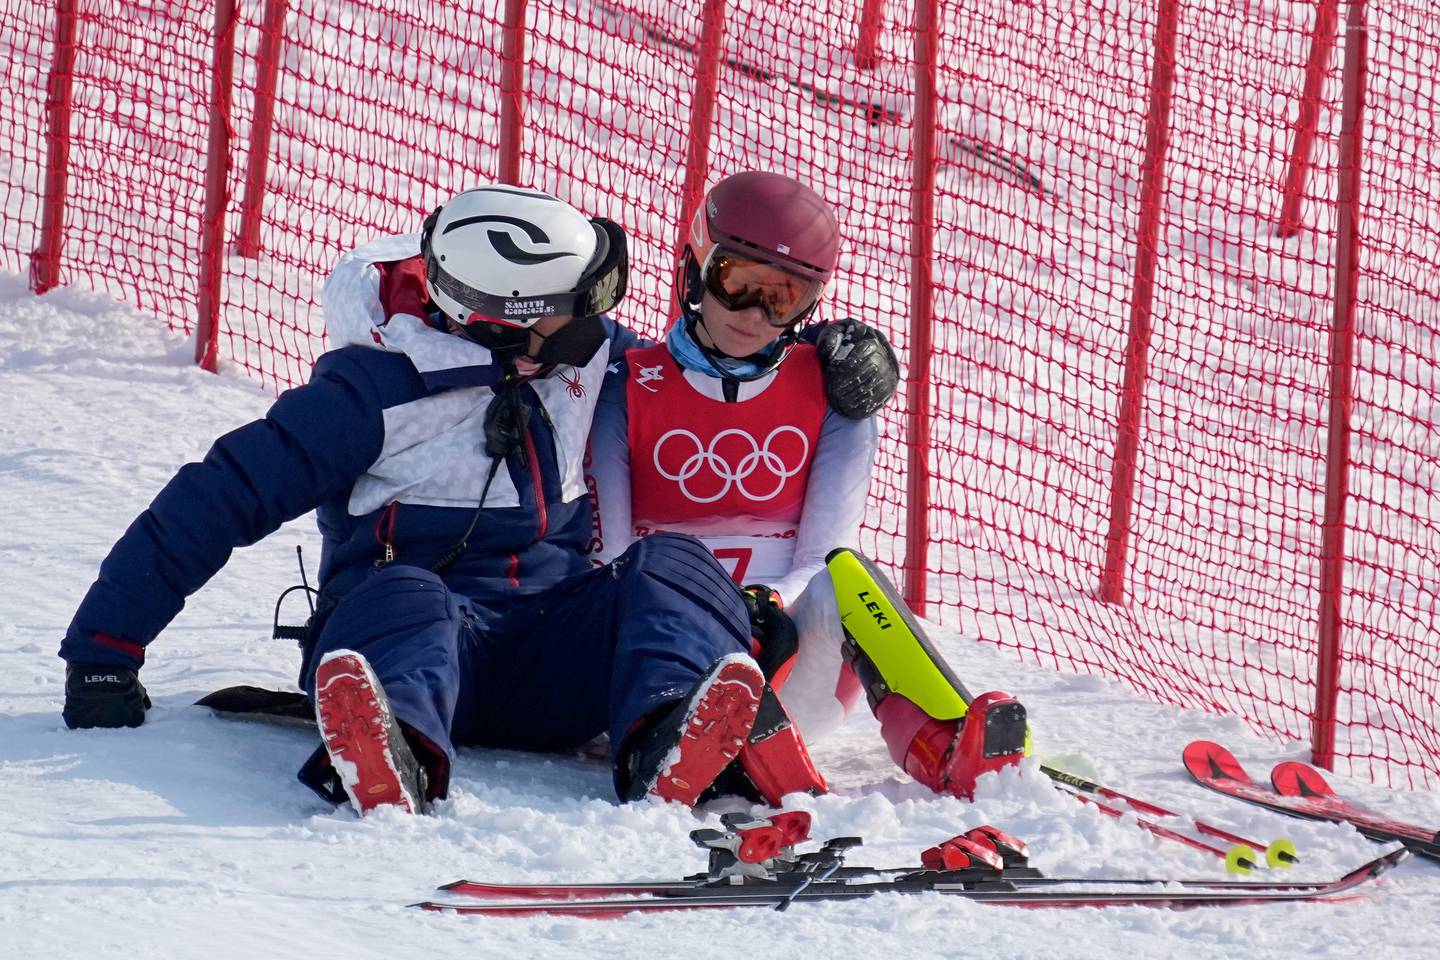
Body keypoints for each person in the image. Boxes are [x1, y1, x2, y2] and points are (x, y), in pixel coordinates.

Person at [58, 185, 892, 816]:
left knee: (673, 562)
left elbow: (704, 361)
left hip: (547, 653)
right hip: (412, 649)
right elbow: (218, 497)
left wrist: (830, 353)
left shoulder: (577, 356)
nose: (600, 322)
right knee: (407, 591)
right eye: (578, 308)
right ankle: (393, 750)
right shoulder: (371, 397)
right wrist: (105, 647)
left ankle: (673, 736)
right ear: (506, 322)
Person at [588, 171, 1026, 804]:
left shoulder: (835, 391)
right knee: (640, 587)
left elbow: (826, 551)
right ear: (697, 268)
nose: (754, 314)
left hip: (792, 650)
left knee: (849, 580)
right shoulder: (627, 385)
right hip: (660, 652)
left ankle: (942, 744)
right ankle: (714, 745)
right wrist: (723, 618)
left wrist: (767, 605)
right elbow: (611, 556)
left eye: (783, 297)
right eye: (737, 283)